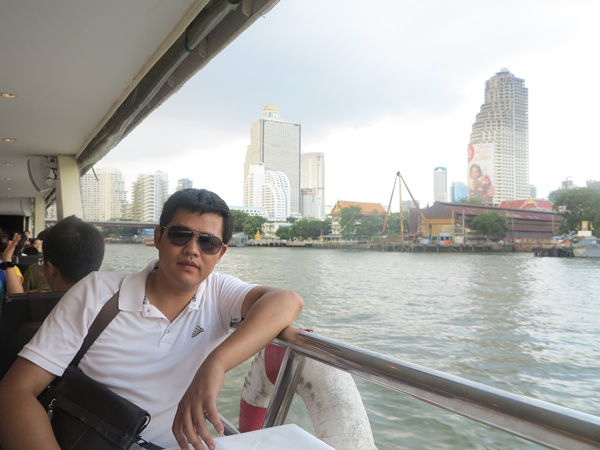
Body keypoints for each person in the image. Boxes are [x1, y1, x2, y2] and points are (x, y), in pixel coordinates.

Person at [0, 189, 303, 450]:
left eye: (207, 243)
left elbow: (287, 301)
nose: (192, 250)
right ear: (159, 237)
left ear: (220, 253)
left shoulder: (219, 293)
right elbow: (15, 392)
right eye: (180, 235)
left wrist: (216, 364)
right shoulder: (97, 293)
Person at [1, 215, 105, 295]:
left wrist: (8, 261)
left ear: (50, 268)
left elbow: (17, 300)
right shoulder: (108, 304)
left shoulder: (38, 309)